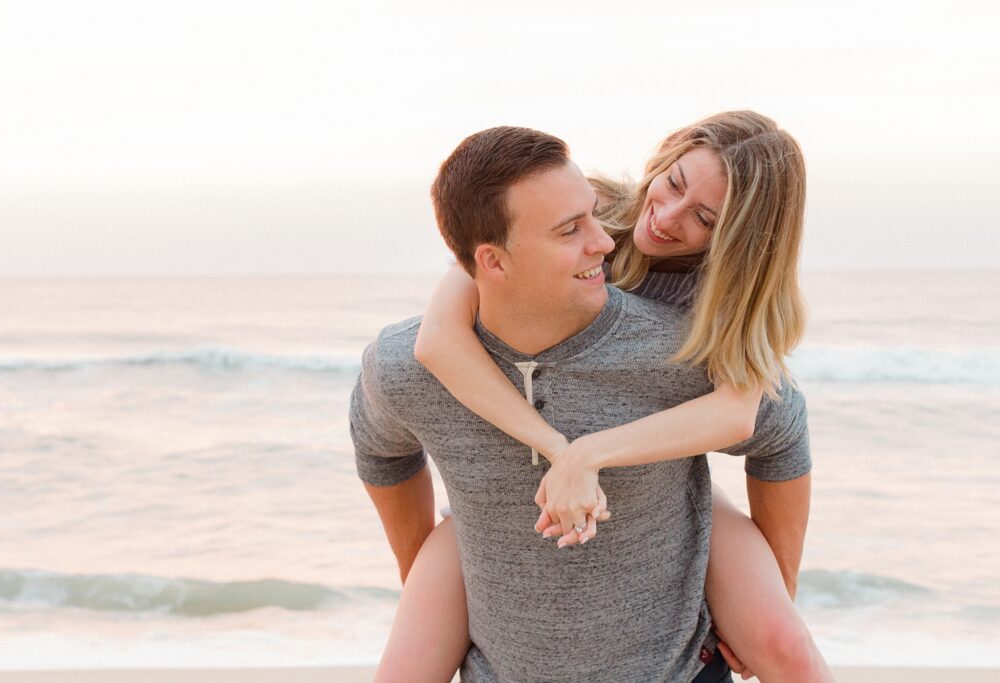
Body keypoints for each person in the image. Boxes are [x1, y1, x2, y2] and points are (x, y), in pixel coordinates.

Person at [351, 123, 821, 682]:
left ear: (741, 239)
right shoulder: (601, 211)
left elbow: (746, 416)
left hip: (664, 469)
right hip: (504, 494)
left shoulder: (726, 310)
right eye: (672, 184)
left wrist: (778, 585)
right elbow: (439, 340)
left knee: (784, 644)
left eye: (704, 219)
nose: (667, 217)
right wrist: (554, 447)